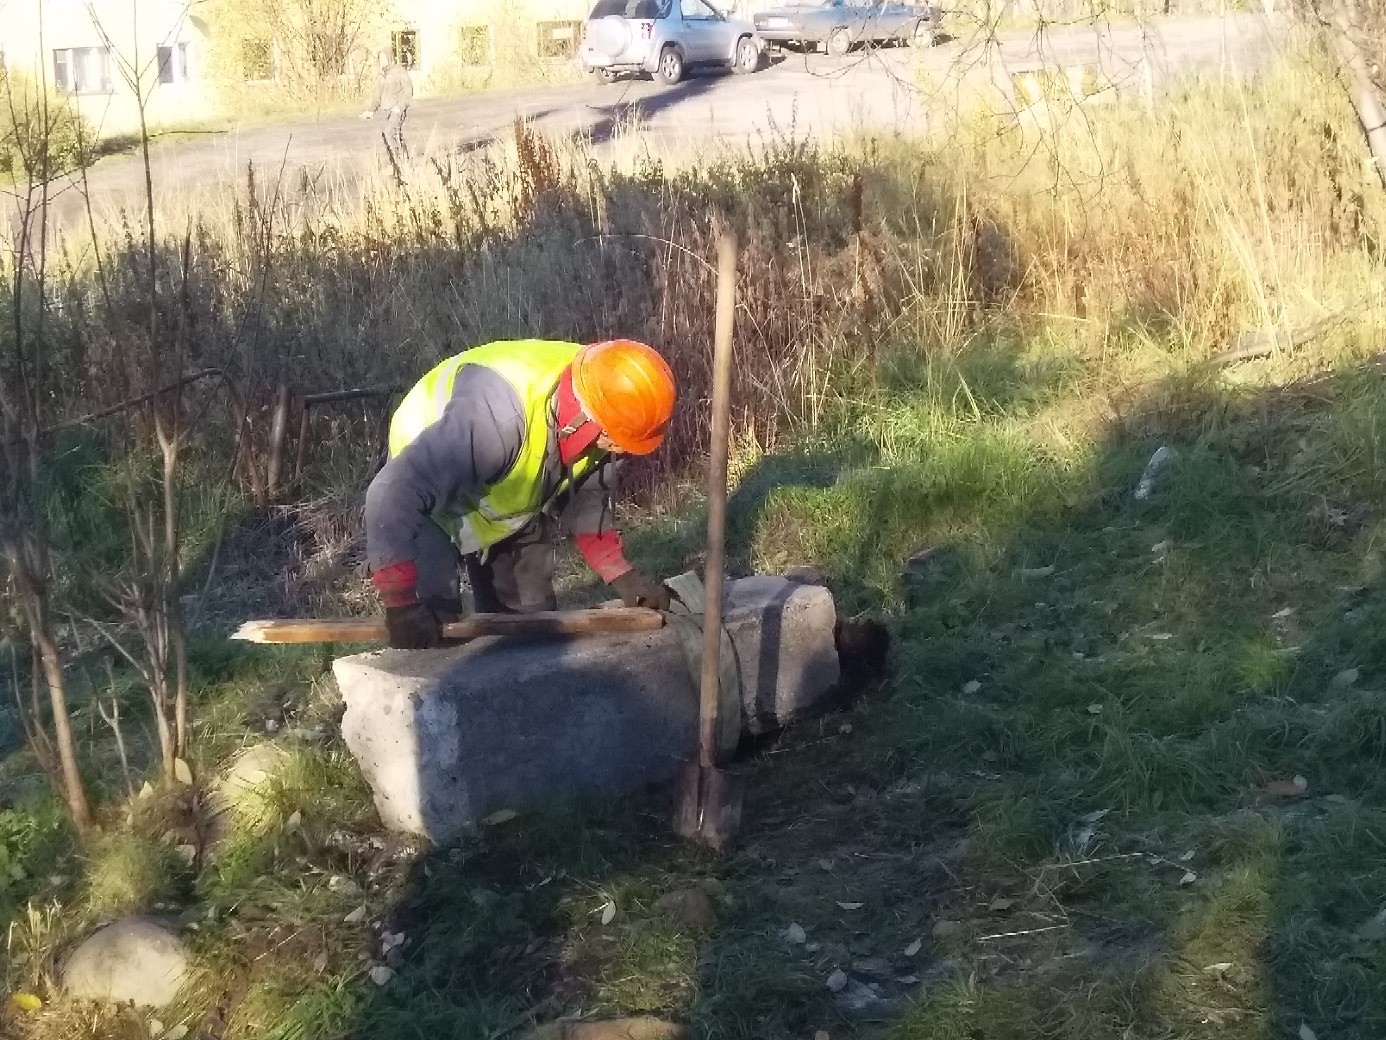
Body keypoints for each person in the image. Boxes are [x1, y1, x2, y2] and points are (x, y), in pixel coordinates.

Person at [365, 339, 677, 650]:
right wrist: (400, 602)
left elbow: (588, 504)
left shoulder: (608, 393)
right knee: (433, 630)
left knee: (533, 630)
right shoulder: (497, 421)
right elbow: (389, 494)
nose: (620, 450)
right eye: (614, 440)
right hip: (429, 489)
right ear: (589, 418)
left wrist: (622, 575)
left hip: (508, 489)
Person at [361, 49, 413, 162]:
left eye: (384, 58)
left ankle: (398, 160)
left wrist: (399, 107)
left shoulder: (399, 71)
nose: (382, 61)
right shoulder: (381, 76)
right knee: (394, 135)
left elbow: (408, 91)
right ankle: (404, 161)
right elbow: (377, 96)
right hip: (386, 111)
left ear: (389, 58)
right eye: (380, 59)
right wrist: (371, 110)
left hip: (397, 110)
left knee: (389, 132)